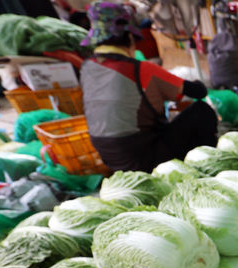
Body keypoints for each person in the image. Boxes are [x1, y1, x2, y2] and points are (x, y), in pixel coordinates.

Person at [80, 2, 218, 172]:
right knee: (202, 111)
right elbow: (198, 92)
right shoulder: (141, 69)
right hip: (146, 159)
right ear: (130, 38)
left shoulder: (87, 68)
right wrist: (195, 82)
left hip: (112, 160)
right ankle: (208, 167)